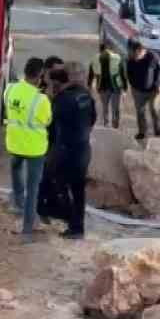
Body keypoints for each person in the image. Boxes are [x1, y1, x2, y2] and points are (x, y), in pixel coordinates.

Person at [46, 61, 96, 238]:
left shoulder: (63, 98)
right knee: (78, 189)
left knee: (59, 183)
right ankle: (77, 226)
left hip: (67, 149)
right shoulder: (85, 95)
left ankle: (72, 224)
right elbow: (92, 120)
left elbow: (49, 123)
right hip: (83, 147)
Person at [3, 57, 52, 236]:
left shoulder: (10, 89)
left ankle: (17, 201)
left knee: (15, 169)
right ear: (40, 76)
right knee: (33, 190)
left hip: (14, 143)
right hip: (34, 149)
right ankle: (27, 230)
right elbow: (47, 120)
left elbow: (8, 110)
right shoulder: (41, 100)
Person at [125, 38, 160, 141]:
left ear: (141, 51)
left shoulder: (153, 57)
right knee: (140, 111)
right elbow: (129, 73)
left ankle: (157, 132)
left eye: (136, 55)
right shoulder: (130, 59)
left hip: (154, 90)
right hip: (138, 90)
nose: (135, 57)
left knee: (154, 109)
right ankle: (142, 132)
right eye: (132, 54)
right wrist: (132, 86)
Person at [86, 40, 127, 128]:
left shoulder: (95, 59)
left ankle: (106, 124)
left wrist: (89, 87)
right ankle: (115, 125)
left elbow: (91, 74)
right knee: (116, 108)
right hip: (116, 87)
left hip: (102, 87)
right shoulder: (118, 58)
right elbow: (123, 74)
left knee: (105, 107)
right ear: (111, 49)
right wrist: (125, 89)